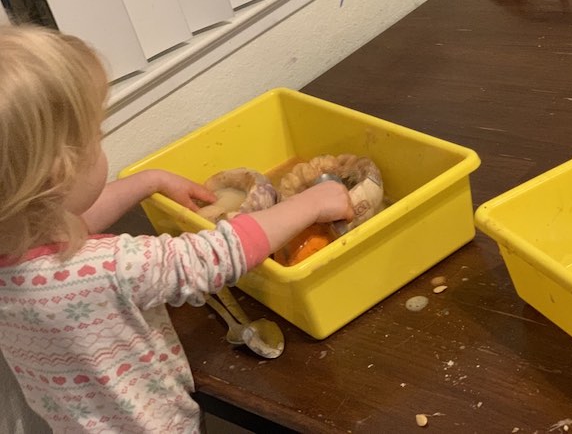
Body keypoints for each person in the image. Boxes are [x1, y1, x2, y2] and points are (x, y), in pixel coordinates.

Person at [0, 24, 354, 433]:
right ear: (58, 174)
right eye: (95, 137)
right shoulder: (112, 267)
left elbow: (66, 225)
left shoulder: (16, 238)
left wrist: (146, 182)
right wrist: (309, 203)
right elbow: (216, 255)